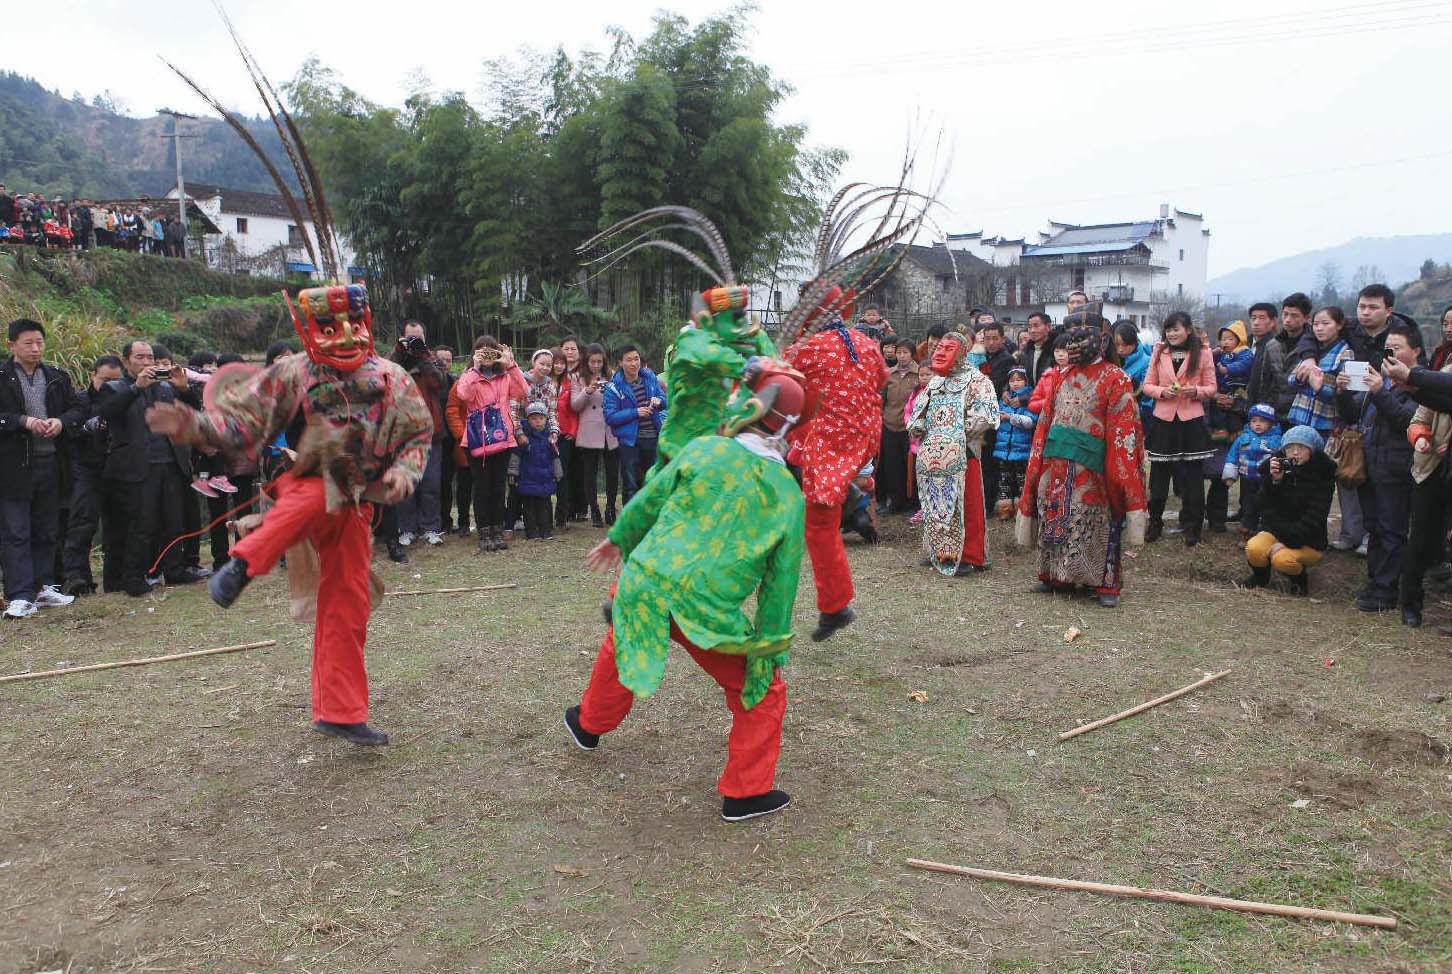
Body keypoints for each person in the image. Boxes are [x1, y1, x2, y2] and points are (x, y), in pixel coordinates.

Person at [147, 283, 433, 746]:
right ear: (307, 329)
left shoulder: (391, 376)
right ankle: (242, 563)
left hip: (357, 502)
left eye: (353, 325)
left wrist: (404, 471)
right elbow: (243, 422)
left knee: (348, 602)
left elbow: (418, 435)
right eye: (328, 327)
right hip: (308, 483)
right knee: (313, 495)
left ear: (368, 324)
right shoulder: (293, 372)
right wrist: (196, 425)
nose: (343, 337)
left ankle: (340, 711)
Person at [564, 361, 810, 823]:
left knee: (624, 642)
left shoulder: (704, 450)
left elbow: (651, 497)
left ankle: (588, 724)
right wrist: (770, 644)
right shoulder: (786, 494)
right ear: (790, 429)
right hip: (705, 607)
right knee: (763, 691)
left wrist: (620, 538)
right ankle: (745, 792)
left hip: (646, 582)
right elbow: (781, 580)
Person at [1016, 323, 1147, 607]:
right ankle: (1056, 576)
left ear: (1101, 341)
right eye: (1071, 339)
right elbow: (1047, 418)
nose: (1075, 345)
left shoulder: (1117, 378)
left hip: (1094, 464)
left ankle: (1104, 582)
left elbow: (1123, 429)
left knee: (1094, 516)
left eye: (1081, 339)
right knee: (1054, 514)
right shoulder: (1062, 376)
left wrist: (1118, 471)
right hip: (1056, 460)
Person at [784, 307, 887, 641]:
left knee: (819, 524)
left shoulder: (808, 348)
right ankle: (834, 605)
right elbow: (882, 378)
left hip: (831, 441)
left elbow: (777, 375)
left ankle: (835, 606)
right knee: (820, 518)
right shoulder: (865, 342)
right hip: (864, 436)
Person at [95, 340, 209, 596]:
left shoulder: (165, 388)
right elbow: (108, 413)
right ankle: (134, 577)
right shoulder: (115, 388)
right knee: (141, 525)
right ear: (126, 361)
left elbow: (193, 413)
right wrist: (137, 387)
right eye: (140, 358)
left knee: (173, 522)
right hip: (136, 466)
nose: (147, 363)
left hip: (170, 462)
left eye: (150, 358)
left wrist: (185, 390)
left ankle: (174, 569)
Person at [1, 319, 85, 619]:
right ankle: (20, 594)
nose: (35, 348)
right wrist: (22, 421)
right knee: (16, 531)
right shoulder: (2, 375)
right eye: (28, 343)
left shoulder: (56, 376)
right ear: (11, 345)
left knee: (46, 529)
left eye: (39, 342)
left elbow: (78, 408)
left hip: (51, 462)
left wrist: (60, 422)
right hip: (13, 467)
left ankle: (44, 585)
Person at [1335, 323, 1420, 613]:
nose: (1390, 353)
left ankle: (1387, 589)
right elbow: (1351, 414)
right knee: (1373, 527)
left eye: (1397, 348)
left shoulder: (1420, 386)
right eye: (1388, 348)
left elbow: (1408, 422)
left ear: (1416, 351)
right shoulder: (1380, 382)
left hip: (1397, 469)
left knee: (1391, 529)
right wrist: (1343, 392)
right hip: (1369, 466)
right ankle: (1375, 582)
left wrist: (1381, 391)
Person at [907, 330, 999, 576]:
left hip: (963, 452)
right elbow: (918, 411)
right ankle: (939, 550)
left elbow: (987, 414)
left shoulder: (977, 380)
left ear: (961, 353)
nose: (939, 353)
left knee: (966, 504)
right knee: (933, 502)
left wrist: (959, 432)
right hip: (932, 455)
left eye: (947, 349)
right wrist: (917, 425)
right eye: (938, 348)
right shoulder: (935, 382)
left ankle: (970, 555)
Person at [1141, 311, 1216, 546]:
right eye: (1169, 329)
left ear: (1188, 330)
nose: (1172, 333)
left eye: (1176, 329)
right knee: (1159, 476)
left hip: (1191, 420)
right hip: (1163, 419)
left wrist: (1197, 392)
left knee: (1193, 477)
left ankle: (1193, 526)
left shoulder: (1203, 353)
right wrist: (1162, 392)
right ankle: (1155, 522)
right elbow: (1147, 385)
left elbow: (1212, 387)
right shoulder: (1159, 351)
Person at [449, 336, 528, 553]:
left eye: (491, 351)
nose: (487, 356)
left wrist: (511, 364)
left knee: (497, 487)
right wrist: (474, 368)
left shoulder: (505, 376)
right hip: (477, 438)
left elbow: (523, 392)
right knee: (482, 487)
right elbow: (463, 394)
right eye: (482, 351)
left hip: (502, 437)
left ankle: (497, 529)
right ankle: (484, 531)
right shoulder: (471, 376)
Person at [1393, 345, 1452, 629]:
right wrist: (1421, 438)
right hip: (1431, 468)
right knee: (1419, 539)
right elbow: (1421, 418)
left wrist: (1413, 377)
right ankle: (1410, 604)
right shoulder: (1441, 375)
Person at [1243, 425, 1336, 596]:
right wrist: (1274, 481)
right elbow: (1261, 503)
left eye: (1301, 447)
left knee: (1282, 559)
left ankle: (1299, 581)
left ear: (1312, 450)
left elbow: (1315, 516)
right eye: (1290, 448)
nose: (1294, 453)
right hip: (1276, 531)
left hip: (1308, 540)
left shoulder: (1323, 477)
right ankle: (1260, 578)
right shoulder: (1280, 470)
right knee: (1254, 548)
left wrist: (1285, 542)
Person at [59, 354, 124, 595]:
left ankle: (116, 579)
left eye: (115, 381)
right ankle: (78, 579)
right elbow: (66, 434)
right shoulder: (79, 400)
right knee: (82, 526)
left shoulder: (123, 400)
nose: (108, 386)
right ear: (93, 375)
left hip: (117, 470)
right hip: (87, 469)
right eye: (104, 380)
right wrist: (86, 428)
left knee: (118, 528)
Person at [391, 328, 448, 547]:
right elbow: (385, 377)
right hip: (403, 434)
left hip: (431, 434)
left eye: (419, 337)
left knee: (431, 483)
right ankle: (406, 528)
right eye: (410, 337)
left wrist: (423, 356)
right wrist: (399, 351)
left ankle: (431, 528)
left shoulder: (431, 360)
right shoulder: (395, 360)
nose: (414, 341)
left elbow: (439, 383)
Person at [603, 345, 666, 505]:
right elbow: (610, 417)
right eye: (629, 360)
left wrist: (659, 401)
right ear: (620, 363)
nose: (633, 364)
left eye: (636, 359)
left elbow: (665, 400)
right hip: (630, 442)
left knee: (652, 482)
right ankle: (630, 525)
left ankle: (649, 522)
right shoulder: (614, 387)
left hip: (652, 438)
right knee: (631, 484)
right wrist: (635, 412)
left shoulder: (650, 378)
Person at [1205, 320, 1252, 532]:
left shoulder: (1245, 356)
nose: (1224, 343)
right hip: (1207, 419)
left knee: (1222, 470)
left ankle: (1217, 518)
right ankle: (1199, 515)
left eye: (1229, 338)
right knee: (1204, 471)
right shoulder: (1212, 357)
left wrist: (1235, 402)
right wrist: (1212, 395)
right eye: (1222, 339)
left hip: (1228, 420)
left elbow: (1248, 389)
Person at [571, 343, 619, 527]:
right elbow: (574, 405)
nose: (596, 365)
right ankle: (594, 510)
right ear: (586, 361)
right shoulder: (577, 377)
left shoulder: (613, 375)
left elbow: (619, 397)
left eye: (600, 361)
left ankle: (609, 509)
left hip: (610, 429)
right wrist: (587, 390)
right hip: (590, 430)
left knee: (613, 473)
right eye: (593, 361)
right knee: (590, 474)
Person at [1221, 403, 1282, 539]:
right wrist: (1230, 475)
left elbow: (1281, 457)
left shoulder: (1277, 440)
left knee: (1267, 505)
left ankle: (1266, 532)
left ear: (1271, 423)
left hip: (1266, 479)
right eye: (1254, 421)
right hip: (1247, 478)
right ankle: (1248, 530)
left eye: (1262, 421)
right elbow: (1233, 455)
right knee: (1248, 504)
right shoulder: (1243, 438)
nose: (1257, 424)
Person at [878, 334, 919, 515]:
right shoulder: (889, 374)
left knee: (910, 466)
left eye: (905, 352)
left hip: (910, 428)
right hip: (890, 424)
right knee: (892, 466)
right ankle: (895, 502)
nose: (902, 356)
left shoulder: (919, 374)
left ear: (912, 354)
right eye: (899, 352)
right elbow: (881, 399)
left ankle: (912, 503)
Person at [508, 402, 562, 540]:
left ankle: (546, 530)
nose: (538, 421)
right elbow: (516, 456)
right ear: (528, 420)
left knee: (545, 506)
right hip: (527, 480)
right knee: (529, 508)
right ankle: (531, 531)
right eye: (534, 418)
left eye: (541, 418)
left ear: (546, 419)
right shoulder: (524, 439)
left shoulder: (550, 438)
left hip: (545, 480)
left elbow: (555, 457)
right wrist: (513, 473)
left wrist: (558, 473)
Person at [993, 367, 1037, 520]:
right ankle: (1005, 509)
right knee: (1004, 480)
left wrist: (1010, 417)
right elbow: (995, 416)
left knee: (1021, 481)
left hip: (1022, 449)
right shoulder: (1004, 400)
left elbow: (1030, 422)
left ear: (1026, 381)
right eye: (1012, 381)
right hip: (1003, 449)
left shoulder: (1028, 400)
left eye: (1019, 380)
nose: (1016, 383)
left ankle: (1022, 510)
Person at [1245, 302, 1293, 427]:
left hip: (1265, 412)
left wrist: (1265, 409)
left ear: (1273, 322)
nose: (1256, 322)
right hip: (1245, 407)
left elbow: (1279, 382)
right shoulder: (1244, 344)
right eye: (1253, 318)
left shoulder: (1275, 345)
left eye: (1261, 318)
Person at [555, 336, 583, 528]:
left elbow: (573, 411)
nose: (558, 365)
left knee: (566, 474)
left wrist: (572, 432)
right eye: (567, 349)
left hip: (566, 435)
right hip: (543, 434)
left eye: (573, 349)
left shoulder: (570, 381)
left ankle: (564, 515)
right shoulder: (539, 380)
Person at [1112, 320, 1152, 428]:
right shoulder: (1112, 359)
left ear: (1134, 343)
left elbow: (1147, 394)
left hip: (1138, 414)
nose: (1120, 349)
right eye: (1117, 345)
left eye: (1125, 345)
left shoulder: (1147, 361)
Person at [1017, 312, 1058, 389]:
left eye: (1036, 326)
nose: (1032, 330)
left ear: (1048, 327)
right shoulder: (1027, 351)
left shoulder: (1057, 350)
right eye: (1029, 327)